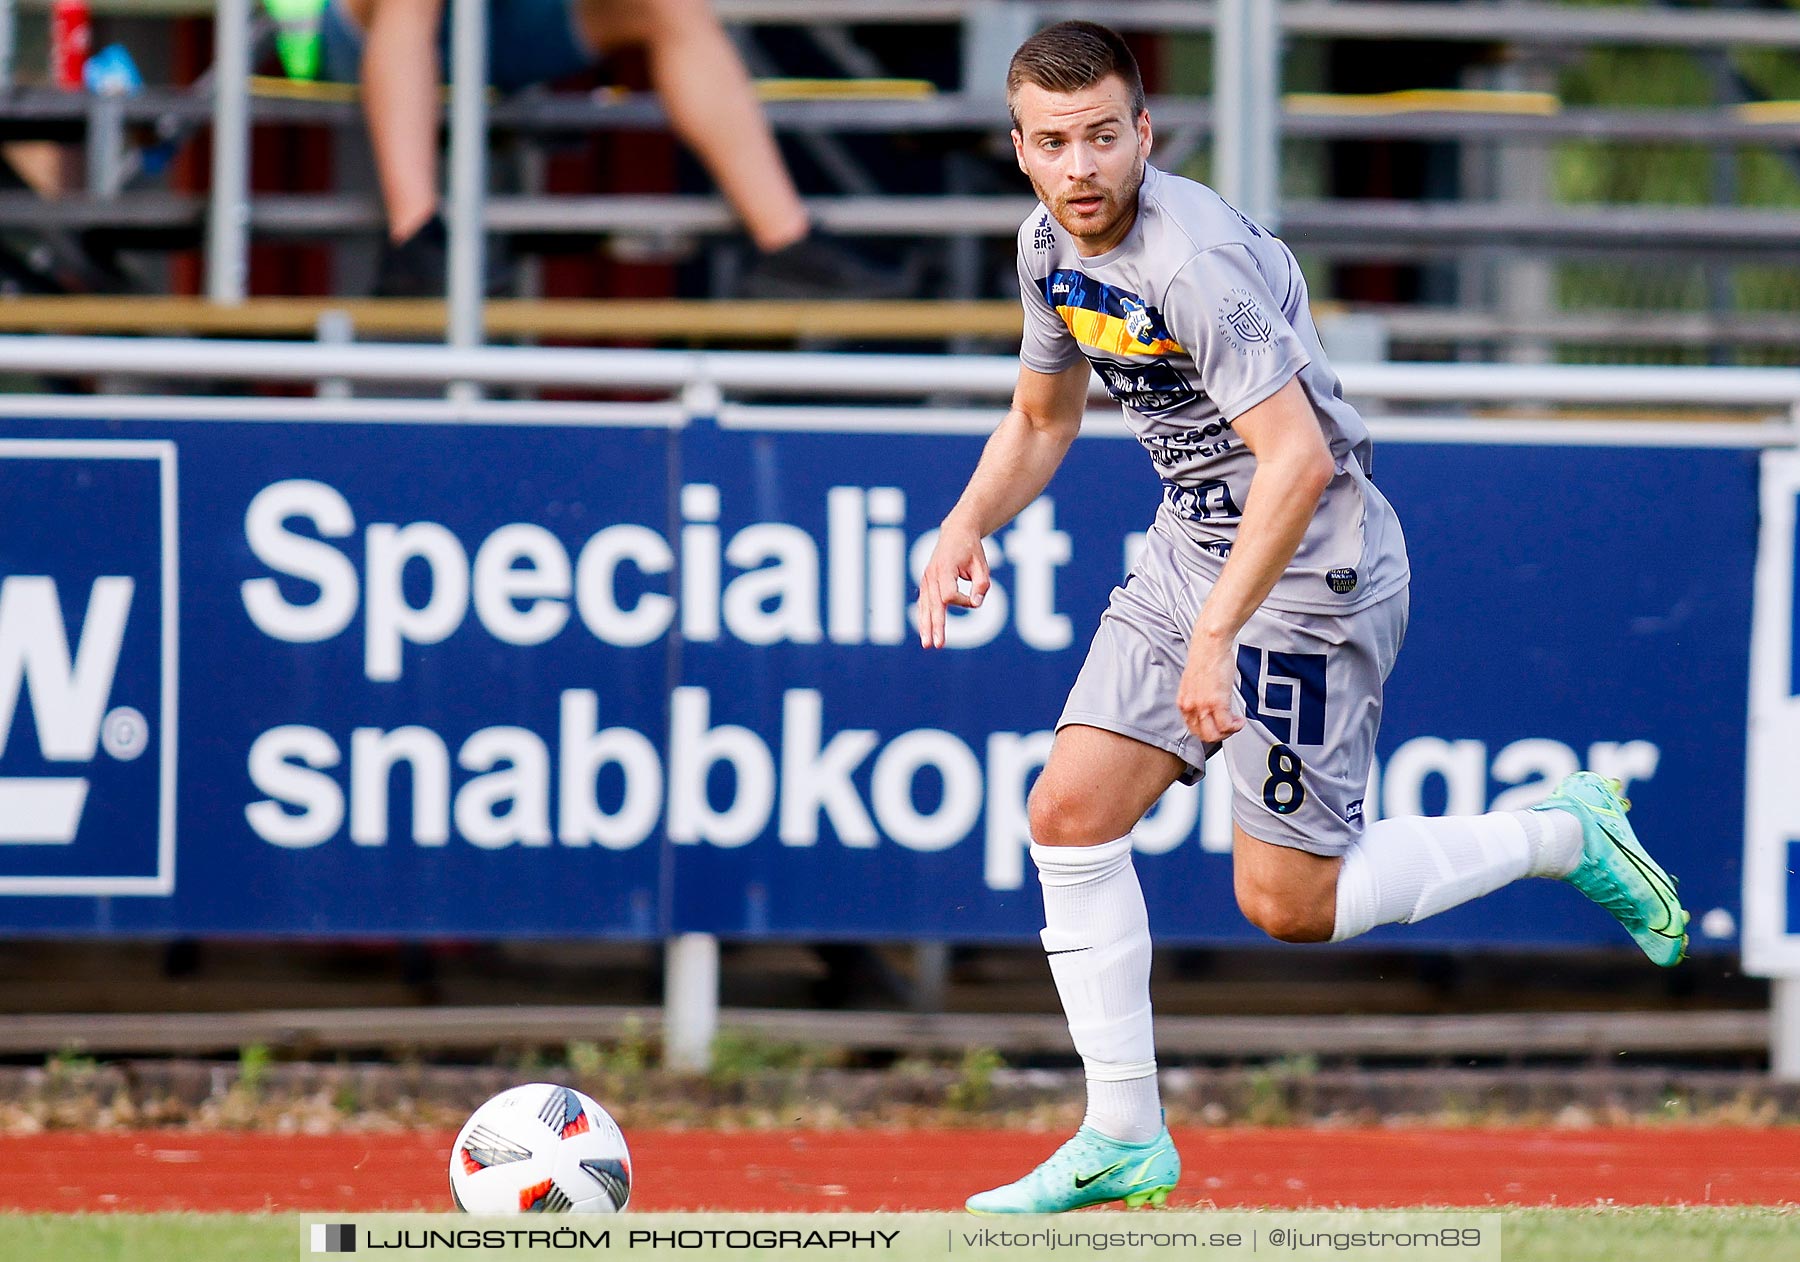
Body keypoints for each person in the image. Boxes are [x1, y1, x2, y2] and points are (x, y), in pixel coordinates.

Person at [916, 21, 1689, 1217]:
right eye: (1057, 143)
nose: (1082, 168)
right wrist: (967, 523)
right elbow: (1041, 417)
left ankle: (1563, 834)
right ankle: (1123, 1135)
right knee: (1067, 813)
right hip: (1195, 544)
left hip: (1313, 566)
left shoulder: (1194, 258)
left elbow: (1300, 462)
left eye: (1105, 137)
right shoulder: (1045, 244)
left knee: (1289, 905)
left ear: (1144, 134)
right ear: (1020, 149)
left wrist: (1218, 635)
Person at [319, 0, 899, 297]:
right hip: (362, 27)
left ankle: (786, 242)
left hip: (508, 29)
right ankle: (414, 240)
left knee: (667, 4)